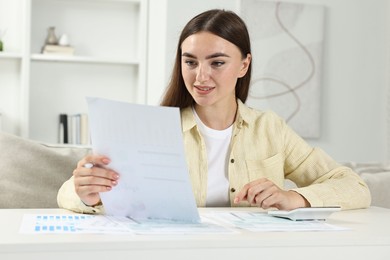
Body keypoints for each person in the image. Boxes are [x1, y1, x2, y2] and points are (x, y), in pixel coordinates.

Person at [57, 9, 371, 214]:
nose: (200, 76)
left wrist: (295, 198)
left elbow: (354, 186)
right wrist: (88, 195)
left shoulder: (270, 129)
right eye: (190, 61)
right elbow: (67, 193)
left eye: (217, 62)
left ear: (244, 64)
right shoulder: (150, 128)